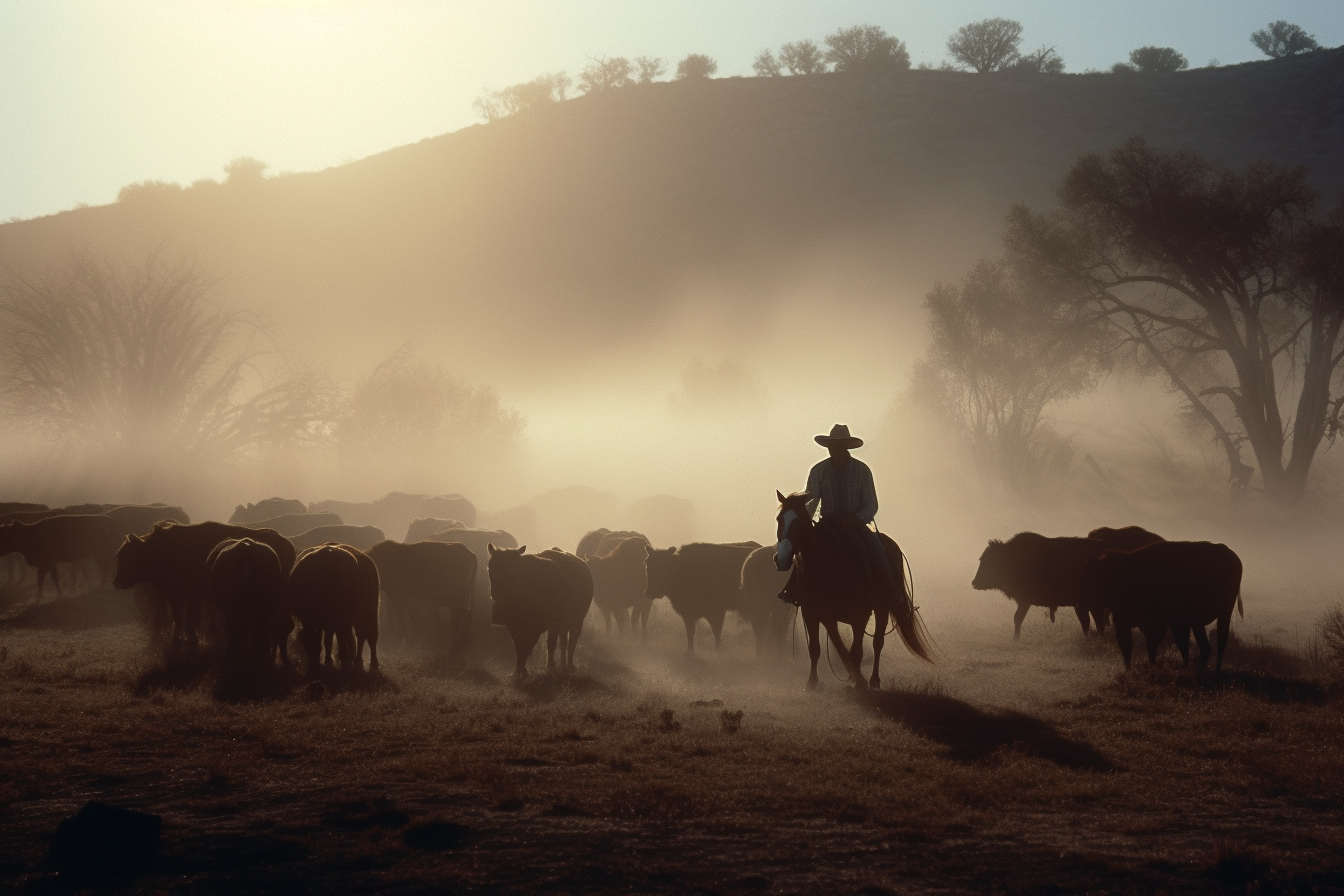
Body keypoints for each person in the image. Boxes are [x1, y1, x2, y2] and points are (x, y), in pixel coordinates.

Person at [778, 423, 902, 609]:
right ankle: (793, 588)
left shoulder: (862, 471)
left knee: (877, 547)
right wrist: (804, 523)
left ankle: (890, 590)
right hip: (827, 524)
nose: (833, 450)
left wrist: (855, 518)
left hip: (856, 525)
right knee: (806, 549)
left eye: (838, 445)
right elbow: (811, 500)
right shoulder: (818, 470)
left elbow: (871, 504)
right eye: (831, 446)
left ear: (845, 447)